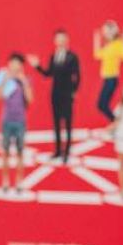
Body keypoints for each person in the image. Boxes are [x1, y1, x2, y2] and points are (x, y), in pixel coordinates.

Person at [29, 28, 81, 163]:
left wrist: (74, 91)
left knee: (68, 123)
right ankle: (58, 151)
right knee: (57, 123)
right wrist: (37, 66)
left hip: (67, 94)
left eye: (63, 39)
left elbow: (77, 76)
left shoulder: (72, 57)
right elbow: (48, 74)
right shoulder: (54, 56)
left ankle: (67, 151)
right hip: (55, 94)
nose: (61, 41)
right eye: (58, 39)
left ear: (67, 40)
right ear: (55, 41)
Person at [0, 53, 34, 192]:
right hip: (6, 120)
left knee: (20, 152)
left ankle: (19, 181)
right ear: (9, 65)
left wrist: (24, 82)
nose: (15, 66)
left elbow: (30, 100)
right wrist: (5, 81)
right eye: (12, 63)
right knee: (5, 152)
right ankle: (5, 181)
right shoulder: (4, 79)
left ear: (21, 66)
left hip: (20, 121)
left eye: (18, 64)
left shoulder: (25, 80)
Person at [93, 20, 123, 123]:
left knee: (102, 105)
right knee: (101, 105)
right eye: (104, 32)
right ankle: (116, 122)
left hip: (112, 79)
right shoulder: (109, 45)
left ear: (113, 31)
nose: (105, 34)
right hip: (107, 79)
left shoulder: (118, 44)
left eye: (106, 32)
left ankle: (116, 122)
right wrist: (96, 39)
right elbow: (97, 55)